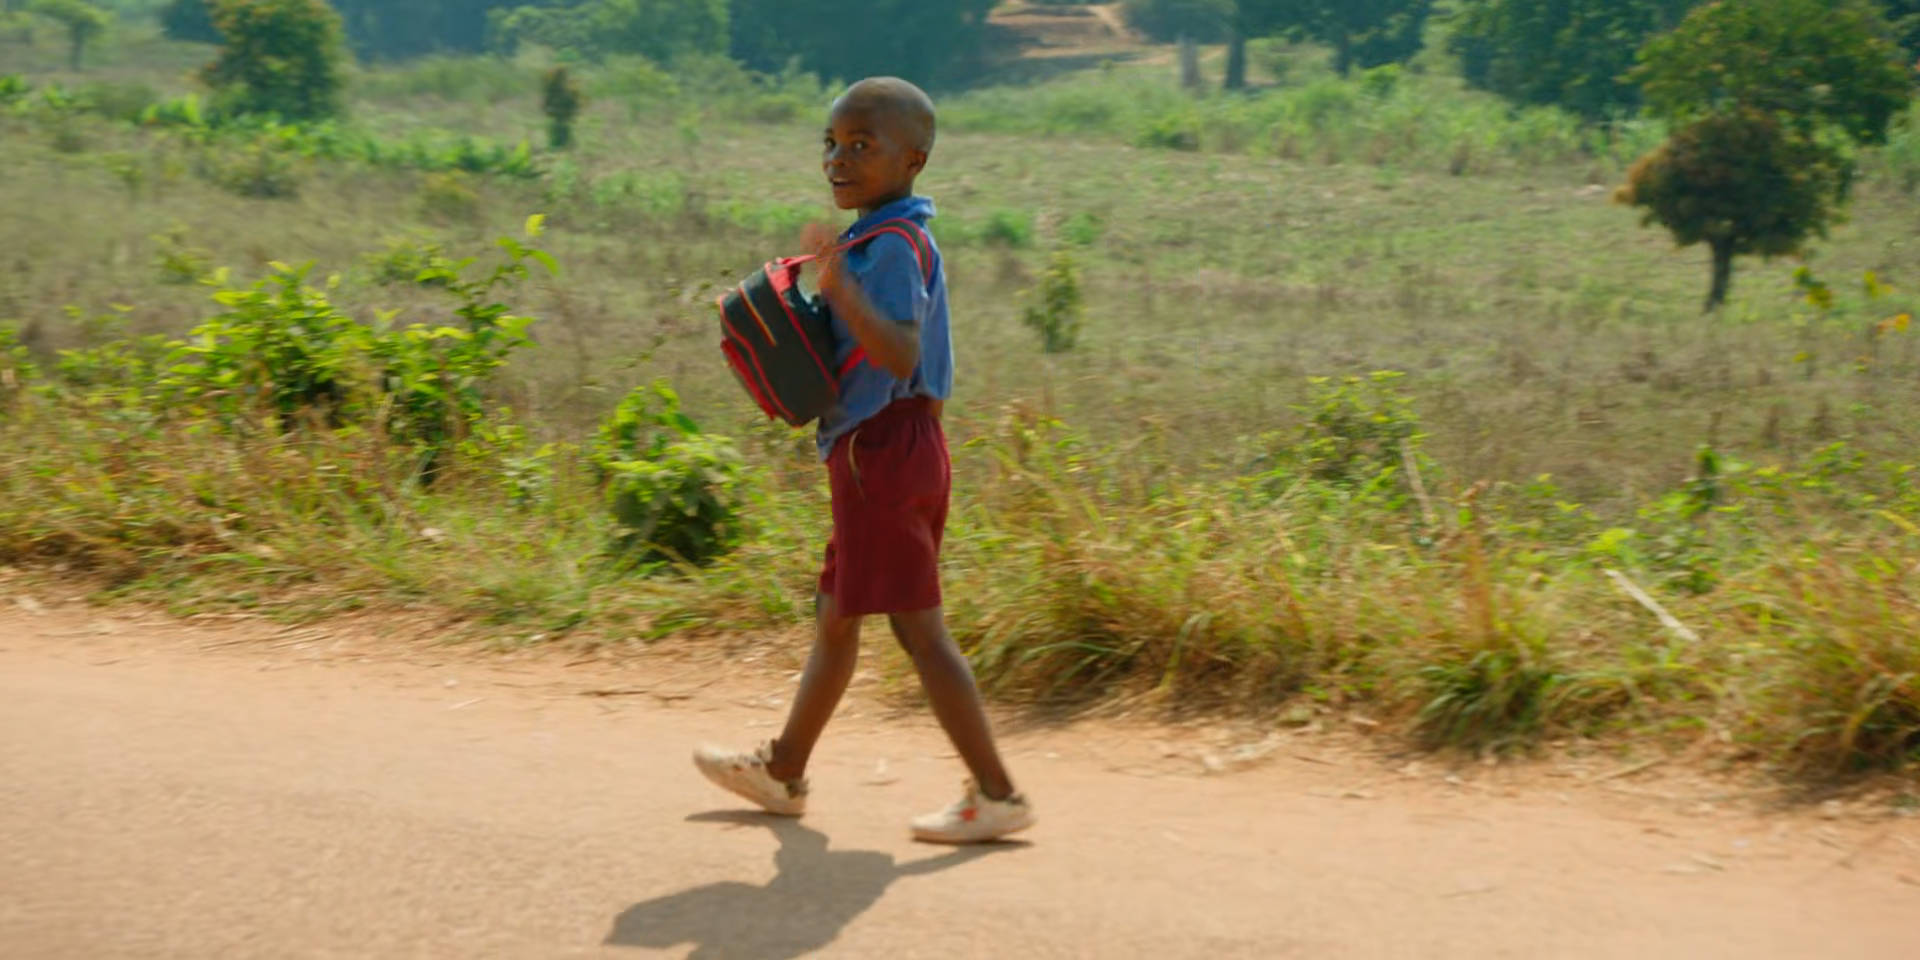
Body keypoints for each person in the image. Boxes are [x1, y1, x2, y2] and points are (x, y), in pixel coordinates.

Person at [694, 77, 1035, 845]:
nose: (837, 159)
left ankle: (998, 793)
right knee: (837, 617)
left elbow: (901, 350)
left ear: (913, 160)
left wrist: (840, 288)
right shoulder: (881, 239)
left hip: (885, 450)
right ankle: (783, 770)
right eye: (830, 143)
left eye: (861, 145)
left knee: (919, 632)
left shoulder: (888, 249)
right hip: (884, 452)